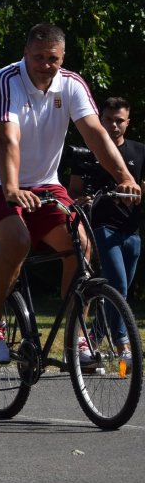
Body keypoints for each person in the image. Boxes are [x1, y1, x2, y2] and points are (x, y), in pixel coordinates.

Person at [0, 25, 140, 364]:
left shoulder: (71, 84)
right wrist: (11, 187)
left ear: (63, 58)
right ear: (25, 53)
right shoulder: (5, 81)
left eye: (53, 59)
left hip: (44, 183)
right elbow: (8, 139)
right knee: (16, 241)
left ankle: (77, 339)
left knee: (82, 246)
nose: (46, 65)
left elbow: (96, 135)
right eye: (39, 57)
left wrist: (125, 177)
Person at [67, 97, 143, 364]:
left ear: (128, 122)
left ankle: (92, 343)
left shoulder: (139, 151)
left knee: (118, 293)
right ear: (100, 120)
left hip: (131, 232)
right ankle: (124, 348)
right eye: (108, 120)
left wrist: (134, 193)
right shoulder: (88, 153)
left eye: (119, 120)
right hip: (101, 228)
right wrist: (82, 201)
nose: (114, 125)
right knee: (118, 285)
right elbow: (73, 192)